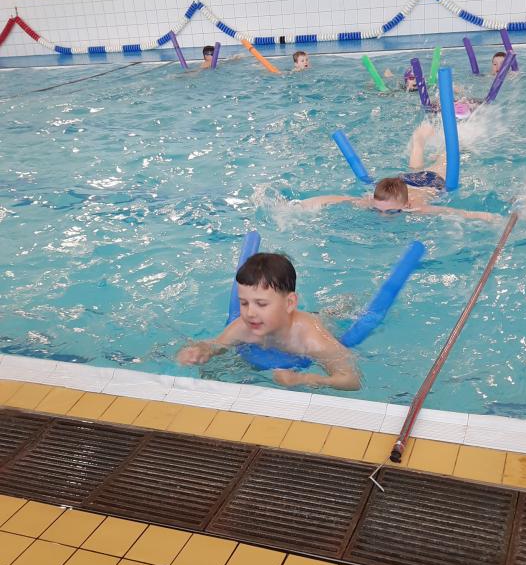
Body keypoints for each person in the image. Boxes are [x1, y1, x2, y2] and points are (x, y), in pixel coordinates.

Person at [177, 252, 361, 391]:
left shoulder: (311, 339)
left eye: (261, 304)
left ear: (289, 303)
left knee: (330, 316)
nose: (250, 313)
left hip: (316, 322)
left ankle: (344, 305)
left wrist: (303, 379)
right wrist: (200, 350)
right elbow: (216, 345)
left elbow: (351, 380)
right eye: (244, 303)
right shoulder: (243, 327)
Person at [295, 121, 497, 221]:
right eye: (378, 210)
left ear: (406, 205)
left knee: (443, 160)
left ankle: (459, 140)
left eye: (392, 212)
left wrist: (489, 218)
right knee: (415, 169)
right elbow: (334, 198)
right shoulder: (375, 201)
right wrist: (299, 205)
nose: (383, 216)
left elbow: (456, 212)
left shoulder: (417, 207)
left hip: (430, 182)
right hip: (403, 182)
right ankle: (418, 141)